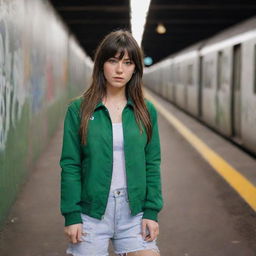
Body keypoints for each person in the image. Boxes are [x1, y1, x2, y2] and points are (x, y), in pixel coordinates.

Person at [60, 29, 163, 256]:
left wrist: (151, 212)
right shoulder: (79, 109)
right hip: (91, 212)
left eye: (127, 62)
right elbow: (70, 165)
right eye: (113, 60)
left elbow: (152, 163)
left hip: (133, 211)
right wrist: (72, 215)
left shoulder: (146, 111)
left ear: (135, 68)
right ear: (101, 64)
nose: (119, 69)